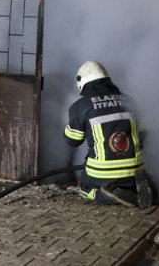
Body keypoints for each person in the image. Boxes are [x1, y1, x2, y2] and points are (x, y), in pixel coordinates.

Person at [63, 60, 153, 208]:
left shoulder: (80, 106)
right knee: (129, 173)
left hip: (102, 174)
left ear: (81, 82)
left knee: (83, 188)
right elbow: (143, 134)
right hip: (134, 170)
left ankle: (106, 195)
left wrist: (71, 124)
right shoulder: (129, 100)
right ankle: (135, 187)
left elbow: (72, 140)